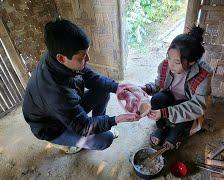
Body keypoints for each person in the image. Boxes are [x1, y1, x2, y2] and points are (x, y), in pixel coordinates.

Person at [22, 18, 140, 153]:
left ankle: (97, 124)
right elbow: (83, 127)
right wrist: (116, 120)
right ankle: (62, 141)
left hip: (64, 110)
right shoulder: (55, 92)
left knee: (103, 89)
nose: (88, 59)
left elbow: (90, 77)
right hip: (52, 127)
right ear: (61, 58)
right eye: (82, 57)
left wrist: (117, 87)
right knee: (105, 139)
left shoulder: (56, 56)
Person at [142, 26, 212, 150]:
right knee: (158, 99)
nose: (170, 65)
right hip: (169, 101)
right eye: (169, 57)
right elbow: (158, 86)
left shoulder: (204, 74)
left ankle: (175, 132)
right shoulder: (165, 65)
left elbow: (197, 106)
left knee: (181, 104)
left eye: (177, 62)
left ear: (191, 62)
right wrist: (146, 88)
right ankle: (162, 128)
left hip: (186, 105)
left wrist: (164, 112)